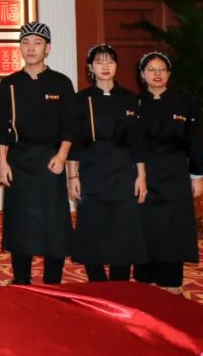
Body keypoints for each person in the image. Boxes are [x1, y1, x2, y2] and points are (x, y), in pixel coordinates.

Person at [0, 21, 75, 285]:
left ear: (47, 48)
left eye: (37, 43)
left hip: (51, 159)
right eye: (26, 43)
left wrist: (62, 156)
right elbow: (2, 128)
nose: (31, 48)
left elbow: (70, 125)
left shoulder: (61, 83)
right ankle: (21, 280)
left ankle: (53, 282)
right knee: (20, 222)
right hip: (19, 159)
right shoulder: (9, 84)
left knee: (54, 222)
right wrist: (2, 163)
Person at [67, 44, 148, 282]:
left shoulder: (130, 99)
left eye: (110, 62)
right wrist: (72, 176)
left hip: (123, 170)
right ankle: (97, 282)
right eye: (99, 62)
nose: (105, 67)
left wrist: (141, 176)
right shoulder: (81, 99)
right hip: (91, 169)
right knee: (91, 227)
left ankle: (119, 284)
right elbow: (75, 141)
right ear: (90, 68)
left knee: (123, 229)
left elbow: (137, 141)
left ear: (116, 66)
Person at [133, 52, 203, 295]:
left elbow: (195, 141)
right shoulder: (134, 104)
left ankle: (173, 283)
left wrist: (197, 177)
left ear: (168, 74)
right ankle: (146, 282)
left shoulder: (184, 101)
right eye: (151, 70)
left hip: (175, 173)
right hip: (143, 175)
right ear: (142, 74)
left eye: (162, 69)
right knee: (146, 230)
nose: (157, 74)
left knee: (174, 230)